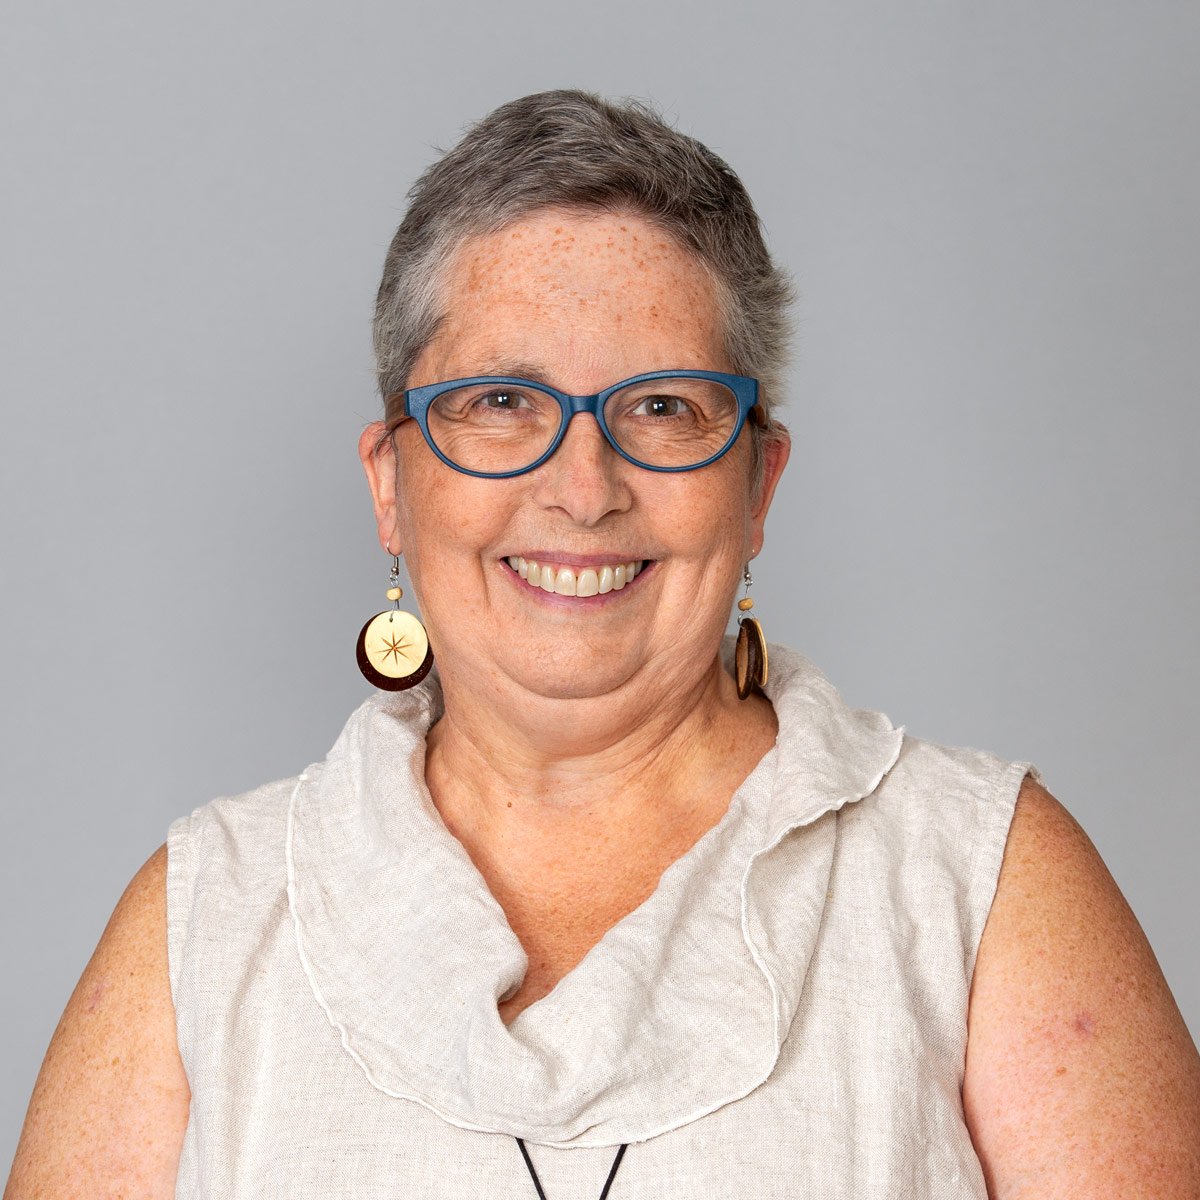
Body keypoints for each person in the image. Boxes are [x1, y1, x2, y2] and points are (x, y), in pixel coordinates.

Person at [7, 89, 1199, 1199]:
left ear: (758, 485)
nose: (582, 489)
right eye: (501, 403)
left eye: (663, 407)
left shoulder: (977, 885)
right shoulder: (209, 922)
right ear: (390, 484)